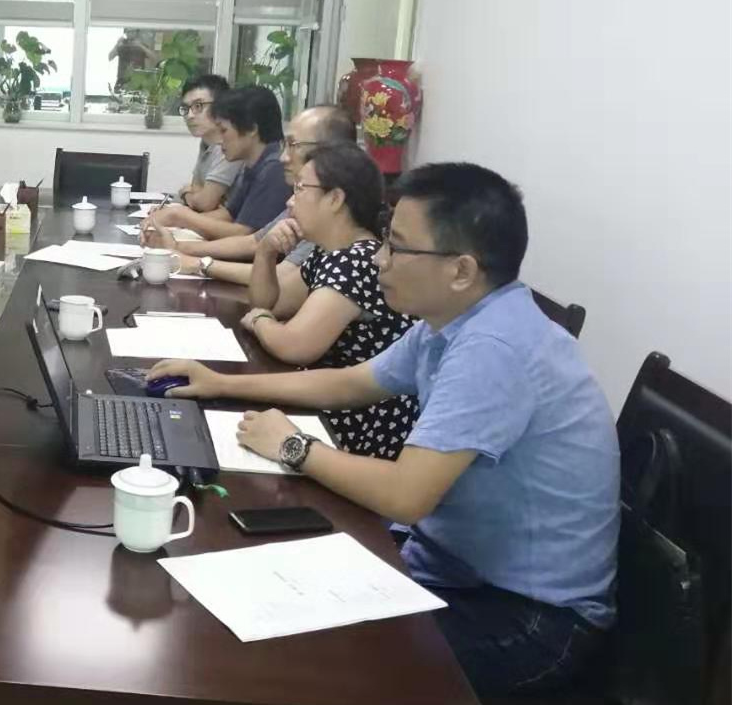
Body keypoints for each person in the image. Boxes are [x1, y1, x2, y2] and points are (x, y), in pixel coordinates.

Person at [149, 163, 619, 697]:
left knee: (309, 671)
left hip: (527, 618)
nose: (379, 259)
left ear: (461, 270)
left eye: (397, 247)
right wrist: (221, 383)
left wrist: (294, 446)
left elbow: (405, 495)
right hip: (451, 564)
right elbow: (350, 383)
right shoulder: (453, 320)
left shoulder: (494, 348)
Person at [238, 145, 416, 459]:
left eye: (300, 188)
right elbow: (269, 302)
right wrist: (265, 253)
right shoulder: (329, 252)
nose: (289, 201)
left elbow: (294, 346)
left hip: (355, 425)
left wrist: (259, 320)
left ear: (335, 199)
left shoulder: (358, 260)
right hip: (328, 403)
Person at [145, 105, 357, 282]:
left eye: (293, 145)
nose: (283, 157)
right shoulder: (301, 192)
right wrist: (178, 248)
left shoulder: (328, 205)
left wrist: (197, 263)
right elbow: (254, 241)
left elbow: (282, 278)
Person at [146, 85, 290, 240]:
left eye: (224, 130)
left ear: (251, 129)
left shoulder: (274, 168)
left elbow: (243, 234)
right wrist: (174, 220)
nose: (220, 141)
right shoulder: (252, 165)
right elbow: (229, 214)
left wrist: (181, 217)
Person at [174, 74, 237, 212]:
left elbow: (204, 203)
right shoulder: (206, 142)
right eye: (186, 108)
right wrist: (194, 194)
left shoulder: (229, 146)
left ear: (220, 106)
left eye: (198, 106)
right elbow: (196, 189)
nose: (190, 115)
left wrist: (185, 193)